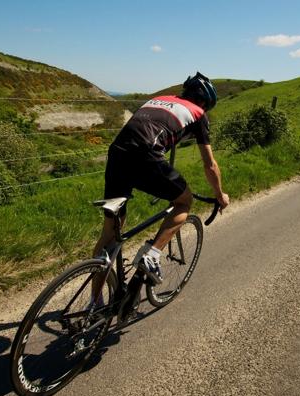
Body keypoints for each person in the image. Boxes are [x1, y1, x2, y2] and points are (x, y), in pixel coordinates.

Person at [90, 72, 229, 307]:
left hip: (117, 154)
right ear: (204, 103)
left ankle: (94, 303)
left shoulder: (159, 99)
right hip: (146, 154)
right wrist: (219, 194)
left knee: (110, 233)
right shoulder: (199, 114)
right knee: (183, 201)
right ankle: (152, 255)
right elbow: (210, 165)